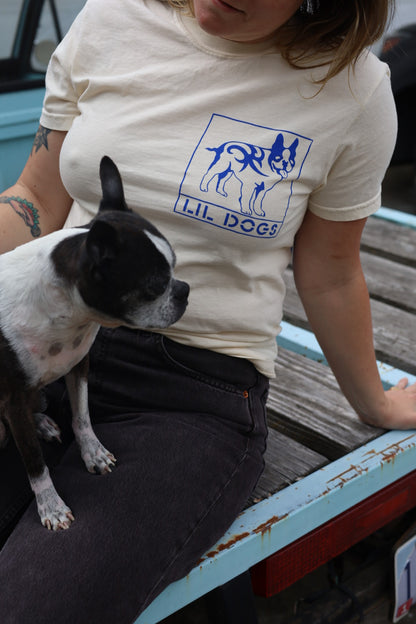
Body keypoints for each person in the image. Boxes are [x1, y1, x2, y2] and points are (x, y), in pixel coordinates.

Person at [0, 0, 415, 622]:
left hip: (188, 392)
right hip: (41, 350)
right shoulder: (110, 16)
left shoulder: (352, 87)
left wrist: (375, 402)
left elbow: (330, 271)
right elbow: (35, 196)